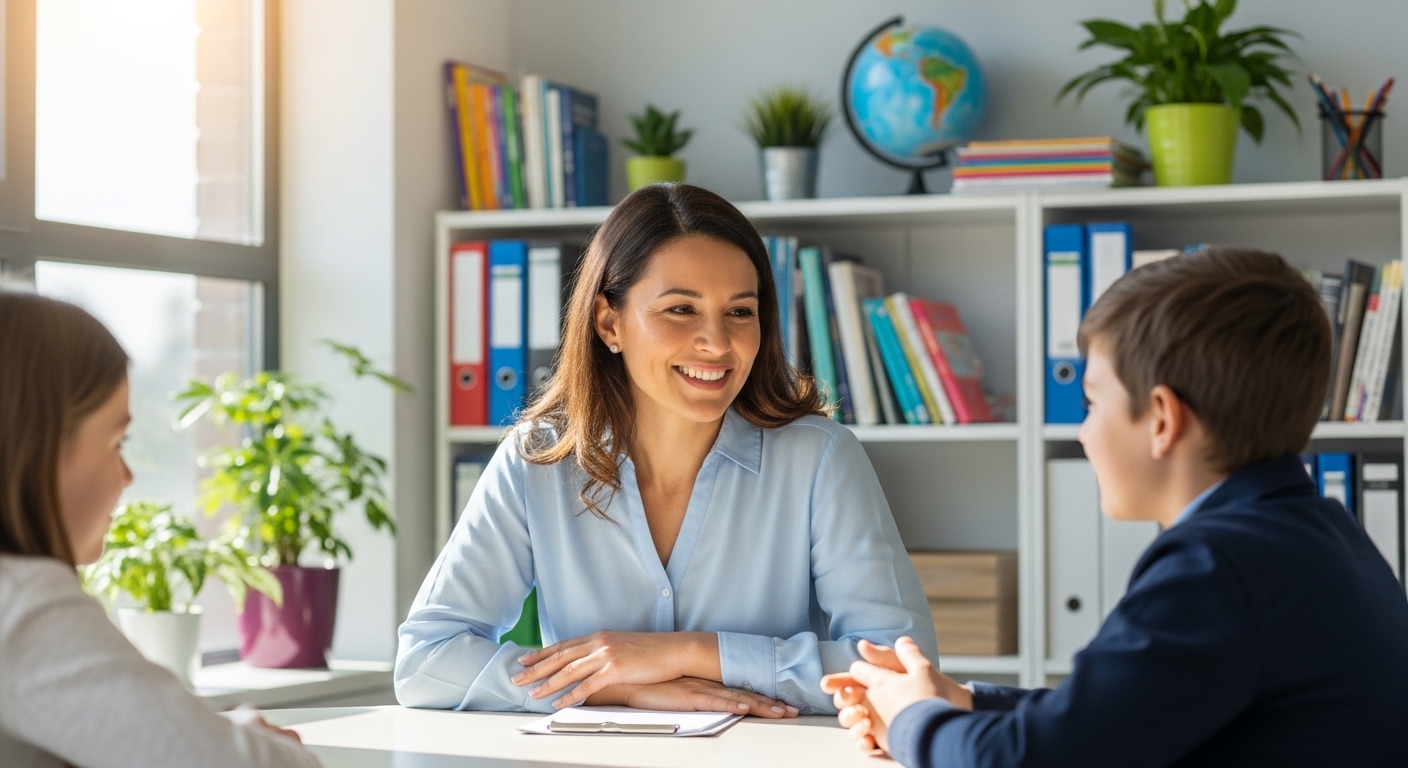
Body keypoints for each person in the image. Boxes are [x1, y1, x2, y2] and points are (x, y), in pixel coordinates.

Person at [823, 247, 1408, 766]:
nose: (1083, 434)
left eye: (1091, 403)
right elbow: (1119, 716)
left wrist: (911, 719)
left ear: (1162, 420)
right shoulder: (1324, 534)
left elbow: (1026, 761)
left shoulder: (1215, 567)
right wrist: (960, 702)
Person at [396, 184, 936, 716]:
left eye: (740, 312)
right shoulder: (537, 460)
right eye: (681, 309)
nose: (717, 343)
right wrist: (615, 689)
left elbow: (902, 669)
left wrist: (688, 653)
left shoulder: (820, 459)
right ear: (609, 322)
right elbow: (425, 660)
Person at [0, 292, 320, 768]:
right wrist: (248, 741)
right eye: (117, 441)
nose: (126, 476)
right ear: (39, 448)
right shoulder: (24, 608)